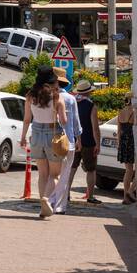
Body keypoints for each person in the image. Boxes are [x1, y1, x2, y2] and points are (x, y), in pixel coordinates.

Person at [20, 65, 67, 219]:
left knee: (42, 174)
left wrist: (22, 138)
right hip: (53, 134)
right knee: (55, 174)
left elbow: (27, 119)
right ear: (52, 81)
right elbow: (64, 120)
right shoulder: (56, 96)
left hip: (36, 134)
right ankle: (46, 198)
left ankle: (42, 207)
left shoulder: (30, 96)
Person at [49, 67, 81, 214]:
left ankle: (50, 200)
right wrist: (78, 138)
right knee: (65, 174)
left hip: (51, 140)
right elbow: (75, 122)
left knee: (51, 174)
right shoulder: (70, 99)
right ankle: (60, 205)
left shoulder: (48, 97)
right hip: (68, 141)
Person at [67, 79, 101, 204]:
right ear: (89, 92)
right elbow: (95, 127)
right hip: (88, 141)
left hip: (73, 140)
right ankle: (90, 196)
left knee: (72, 168)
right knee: (91, 170)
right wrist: (97, 143)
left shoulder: (72, 103)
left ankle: (67, 194)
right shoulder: (91, 106)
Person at [117, 101, 137, 204]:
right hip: (131, 141)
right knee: (136, 171)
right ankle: (130, 191)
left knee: (128, 170)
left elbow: (119, 130)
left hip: (123, 142)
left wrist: (119, 145)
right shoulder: (134, 112)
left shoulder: (120, 112)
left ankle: (125, 196)